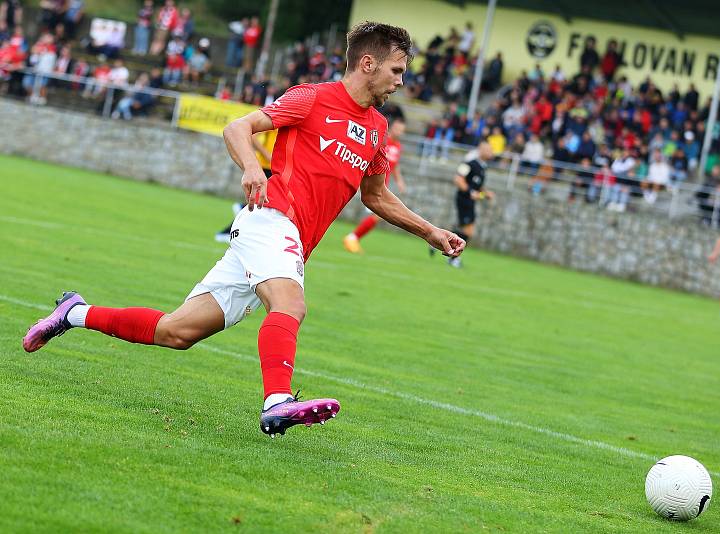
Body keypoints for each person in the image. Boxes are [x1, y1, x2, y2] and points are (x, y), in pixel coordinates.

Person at [22, 21, 465, 438]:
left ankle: (73, 313)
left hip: (287, 240)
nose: (401, 81)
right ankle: (276, 401)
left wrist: (430, 232)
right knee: (290, 304)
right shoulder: (312, 98)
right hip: (271, 219)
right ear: (368, 64)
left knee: (177, 332)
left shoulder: (377, 128)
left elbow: (377, 195)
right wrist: (253, 167)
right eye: (396, 70)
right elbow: (238, 127)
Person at [343, 117, 407, 253]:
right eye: (397, 129)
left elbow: (394, 166)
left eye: (402, 130)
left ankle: (353, 238)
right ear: (392, 128)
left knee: (378, 216)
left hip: (383, 187)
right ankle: (352, 238)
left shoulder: (398, 146)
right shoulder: (383, 142)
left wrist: (399, 181)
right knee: (379, 215)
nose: (399, 132)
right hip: (371, 184)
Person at [215, 128, 277, 243]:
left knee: (264, 205)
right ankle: (238, 215)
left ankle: (229, 230)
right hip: (268, 167)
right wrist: (268, 156)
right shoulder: (281, 117)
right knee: (262, 204)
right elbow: (253, 136)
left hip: (277, 168)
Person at [438, 140, 494, 268]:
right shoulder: (469, 163)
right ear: (481, 149)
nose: (491, 152)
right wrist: (470, 192)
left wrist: (486, 192)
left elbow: (477, 186)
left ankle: (439, 238)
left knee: (467, 231)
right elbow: (458, 179)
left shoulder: (483, 167)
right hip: (464, 199)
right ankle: (450, 255)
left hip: (470, 201)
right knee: (468, 232)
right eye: (488, 149)